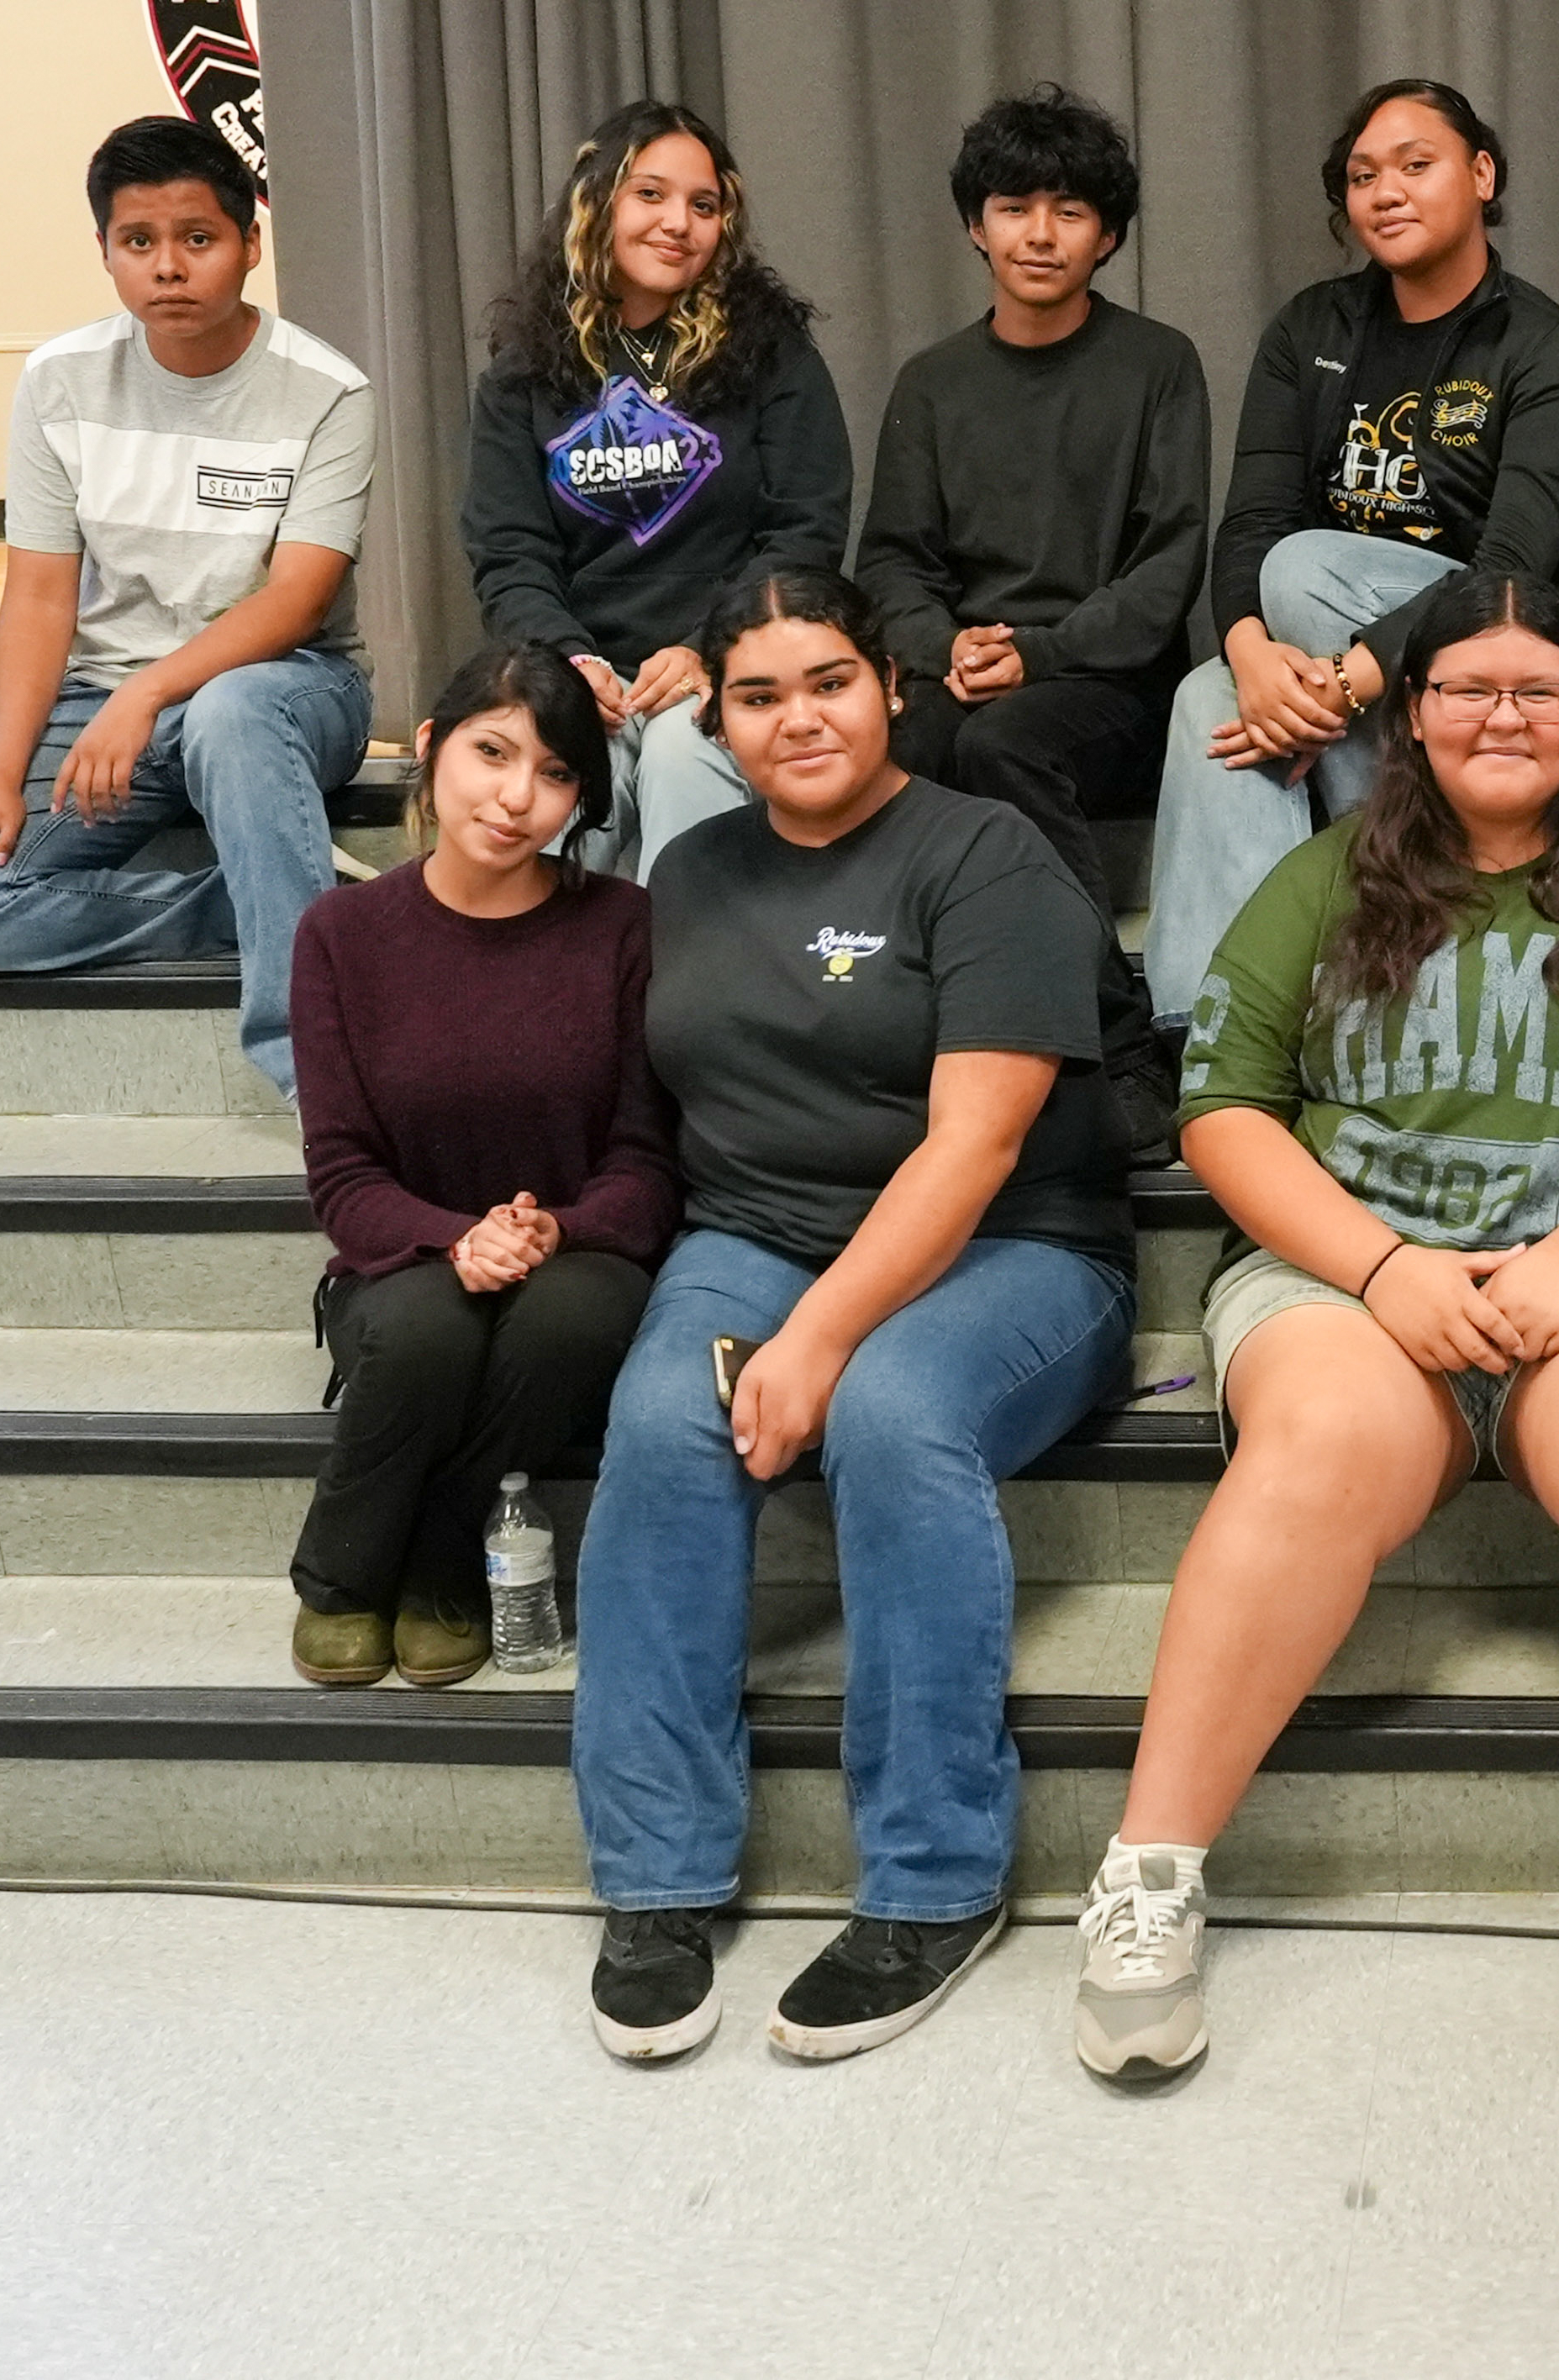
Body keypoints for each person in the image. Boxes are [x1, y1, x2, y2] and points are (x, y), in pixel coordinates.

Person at [1081, 571, 1559, 2094]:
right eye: (1467, 687)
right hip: (1349, 1273)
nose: (1504, 713)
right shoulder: (1325, 875)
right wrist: (1382, 1266)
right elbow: (1225, 1109)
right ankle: (1150, 1873)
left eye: (1539, 687)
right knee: (1318, 1441)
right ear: (1410, 716)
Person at [570, 568, 1136, 2066]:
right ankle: (660, 1873)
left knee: (892, 1412)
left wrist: (819, 1337)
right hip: (754, 1233)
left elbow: (975, 1147)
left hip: (1013, 1250)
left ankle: (936, 1880)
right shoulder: (690, 870)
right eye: (756, 694)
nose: (796, 717)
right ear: (718, 715)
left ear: (891, 686)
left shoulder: (987, 852)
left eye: (827, 680)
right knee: (661, 1418)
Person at [0, 115, 375, 1103]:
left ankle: (313, 1069)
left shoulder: (328, 390)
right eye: (138, 242)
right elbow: (37, 594)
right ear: (106, 254)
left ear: (248, 243)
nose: (169, 268)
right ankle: (260, 904)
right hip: (109, 699)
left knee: (236, 709)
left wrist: (149, 692)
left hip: (282, 692)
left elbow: (296, 600)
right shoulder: (59, 381)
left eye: (198, 239)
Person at [1139, 78, 1559, 1025]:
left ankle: (1395, 951)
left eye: (1414, 165)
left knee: (1304, 569)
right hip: (1335, 661)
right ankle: (1213, 1029)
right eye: (1361, 176)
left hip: (1494, 642)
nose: (1384, 192)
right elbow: (1250, 518)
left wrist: (1341, 687)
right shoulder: (1311, 328)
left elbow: (1513, 563)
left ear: (1481, 175)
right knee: (1208, 696)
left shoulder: (1544, 344)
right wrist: (1253, 659)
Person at [286, 644, 674, 1690]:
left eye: (556, 777)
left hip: (578, 1250)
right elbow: (342, 1171)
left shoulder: (624, 927)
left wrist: (556, 1229)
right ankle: (340, 1576)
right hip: (405, 1254)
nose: (517, 799)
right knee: (424, 1327)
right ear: (429, 749)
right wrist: (454, 1240)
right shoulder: (341, 933)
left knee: (572, 1317)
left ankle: (437, 1561)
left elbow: (646, 1156)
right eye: (492, 753)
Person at [860, 82, 1208, 1158]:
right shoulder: (933, 382)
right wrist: (937, 644)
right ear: (976, 224)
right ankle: (898, 1038)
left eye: (1068, 210)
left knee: (1004, 741)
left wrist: (1040, 653)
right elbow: (891, 559)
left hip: (1113, 687)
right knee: (897, 740)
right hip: (968, 680)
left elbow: (1168, 567)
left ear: (1107, 236)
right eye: (1014, 206)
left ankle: (1118, 1040)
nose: (1040, 233)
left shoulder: (1158, 365)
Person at [461, 98, 851, 880]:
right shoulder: (521, 373)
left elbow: (805, 532)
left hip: (729, 666)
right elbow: (509, 553)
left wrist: (710, 647)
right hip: (585, 673)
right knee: (554, 767)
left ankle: (688, 993)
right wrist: (572, 662)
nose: (678, 222)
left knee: (682, 746)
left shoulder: (773, 356)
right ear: (596, 205)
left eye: (702, 206)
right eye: (650, 194)